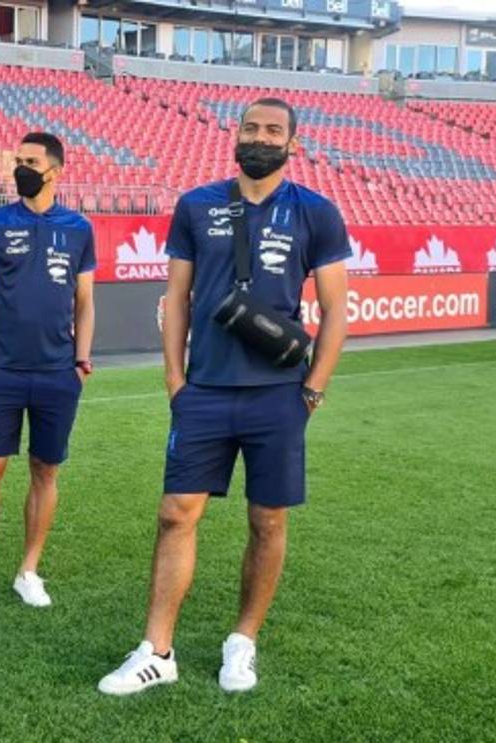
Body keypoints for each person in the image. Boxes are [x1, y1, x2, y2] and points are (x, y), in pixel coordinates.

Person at [97, 98, 350, 696]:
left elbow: (337, 311)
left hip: (279, 396)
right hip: (204, 391)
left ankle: (243, 642)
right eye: (250, 128)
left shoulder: (317, 212)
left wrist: (312, 391)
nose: (259, 138)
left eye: (272, 130)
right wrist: (174, 379)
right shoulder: (196, 205)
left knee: (267, 522)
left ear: (293, 143)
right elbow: (177, 298)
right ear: (234, 135)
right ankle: (157, 650)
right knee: (174, 514)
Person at [0, 132, 96, 608]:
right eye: (18, 160)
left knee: (44, 470)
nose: (20, 168)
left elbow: (86, 300)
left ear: (56, 170)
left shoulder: (78, 228)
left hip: (57, 373)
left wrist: (80, 360)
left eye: (31, 161)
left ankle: (29, 570)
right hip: (3, 371)